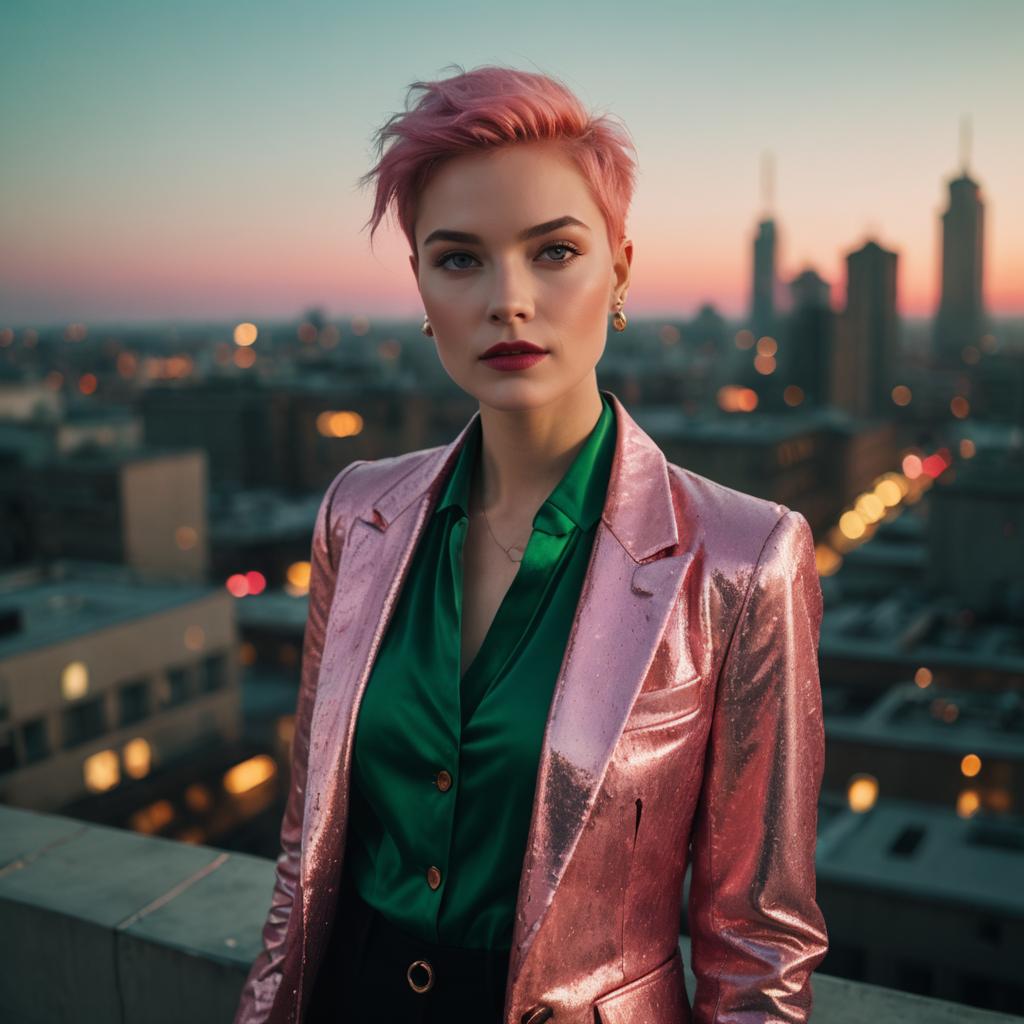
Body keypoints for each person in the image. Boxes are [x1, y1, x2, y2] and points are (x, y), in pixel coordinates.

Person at [234, 63, 828, 1024]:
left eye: (553, 252)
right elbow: (307, 849)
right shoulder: (358, 514)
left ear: (620, 271)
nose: (508, 299)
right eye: (459, 258)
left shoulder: (741, 560)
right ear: (422, 288)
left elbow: (757, 940)